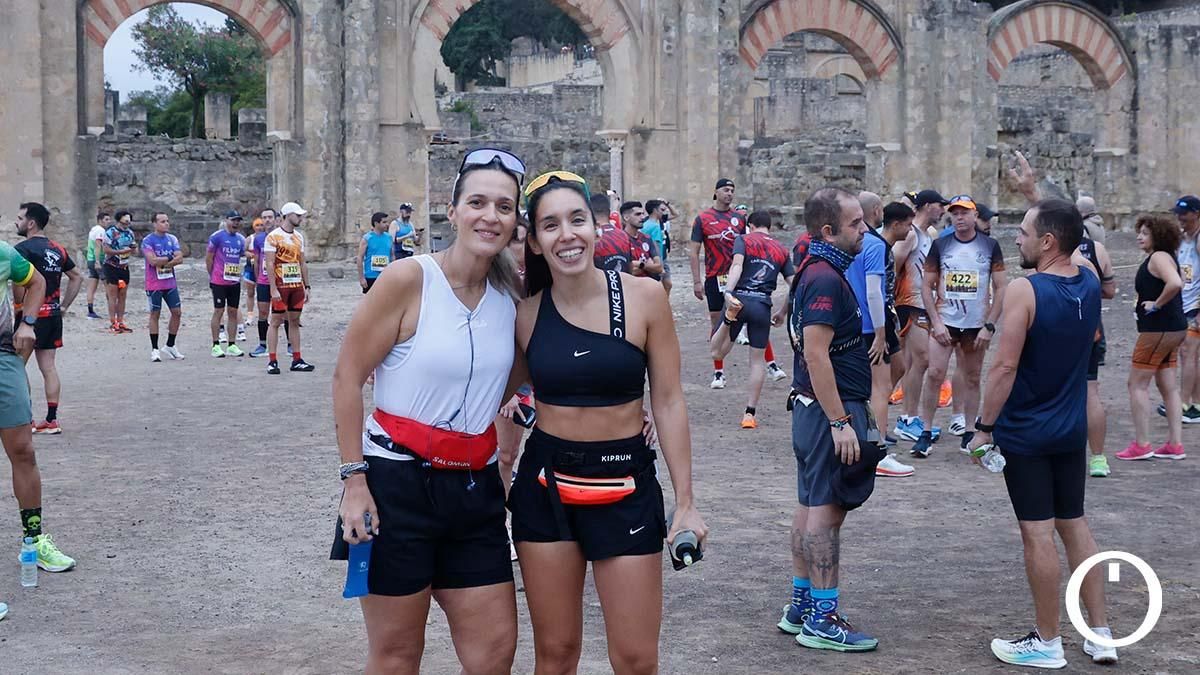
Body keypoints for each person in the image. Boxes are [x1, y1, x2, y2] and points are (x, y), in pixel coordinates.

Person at [331, 148, 527, 673]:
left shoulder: (514, 299)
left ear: (515, 222)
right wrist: (354, 482)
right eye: (478, 202)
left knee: (493, 654)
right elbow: (347, 378)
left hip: (474, 489)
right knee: (396, 656)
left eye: (504, 207)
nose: (490, 216)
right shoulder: (408, 279)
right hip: (396, 484)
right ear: (453, 208)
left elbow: (534, 373)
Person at [508, 170, 707, 673]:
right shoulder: (523, 314)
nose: (567, 234)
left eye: (577, 220)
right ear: (533, 239)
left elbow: (667, 400)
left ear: (598, 227)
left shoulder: (643, 297)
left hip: (624, 487)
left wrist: (686, 504)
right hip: (546, 487)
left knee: (636, 658)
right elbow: (502, 401)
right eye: (549, 225)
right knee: (555, 655)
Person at [970, 199, 1116, 668]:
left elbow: (1005, 366)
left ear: (1048, 241)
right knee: (1074, 525)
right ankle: (1101, 633)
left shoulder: (1024, 290)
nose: (1017, 238)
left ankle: (1048, 641)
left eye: (1026, 231)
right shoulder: (1090, 282)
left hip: (1027, 431)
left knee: (1037, 534)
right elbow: (1090, 339)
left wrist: (983, 428)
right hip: (1070, 428)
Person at [777, 186, 879, 652]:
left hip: (815, 408)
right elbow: (816, 355)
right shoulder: (823, 278)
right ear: (828, 231)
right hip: (826, 411)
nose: (864, 229)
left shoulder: (819, 271)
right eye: (856, 223)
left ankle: (801, 605)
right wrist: (840, 422)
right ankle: (822, 616)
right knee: (825, 514)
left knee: (811, 506)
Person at [0, 239, 77, 577]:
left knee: (23, 450)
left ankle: (33, 542)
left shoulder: (2, 252)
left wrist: (28, 322)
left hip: (3, 358)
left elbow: (38, 282)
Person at [911, 195, 1007, 458]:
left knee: (973, 377)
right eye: (955, 213)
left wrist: (990, 325)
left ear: (975, 216)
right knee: (934, 373)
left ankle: (968, 430)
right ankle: (926, 431)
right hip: (946, 322)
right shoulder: (941, 245)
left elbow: (1001, 288)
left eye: (965, 213)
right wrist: (936, 321)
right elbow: (926, 287)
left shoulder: (990, 246)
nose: (960, 217)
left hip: (975, 324)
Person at [689, 178, 785, 389]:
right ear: (716, 192)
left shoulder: (739, 218)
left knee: (753, 316)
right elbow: (694, 252)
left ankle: (771, 364)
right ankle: (718, 372)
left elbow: (753, 244)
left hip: (740, 277)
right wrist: (697, 281)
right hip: (715, 277)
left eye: (732, 190)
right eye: (725, 189)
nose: (729, 193)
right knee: (717, 322)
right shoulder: (703, 219)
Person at [710, 210, 794, 429]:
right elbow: (794, 285)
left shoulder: (743, 240)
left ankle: (729, 320)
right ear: (770, 227)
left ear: (750, 225)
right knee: (757, 361)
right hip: (762, 305)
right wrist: (783, 312)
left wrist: (728, 292)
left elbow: (737, 265)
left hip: (740, 299)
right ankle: (750, 413)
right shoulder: (781, 249)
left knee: (717, 351)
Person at [1118, 214, 1187, 461]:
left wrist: (1156, 305)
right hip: (1171, 330)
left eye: (1145, 233)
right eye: (1140, 232)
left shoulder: (1159, 257)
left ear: (1158, 236)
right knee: (1167, 385)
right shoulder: (1165, 257)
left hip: (1158, 330)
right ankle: (1175, 444)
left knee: (1136, 384)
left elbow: (1176, 283)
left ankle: (1142, 443)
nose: (1139, 236)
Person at [854, 193, 913, 477]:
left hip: (865, 321)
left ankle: (871, 431)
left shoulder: (852, 242)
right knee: (879, 387)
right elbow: (873, 292)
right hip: (870, 323)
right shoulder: (875, 245)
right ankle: (876, 452)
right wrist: (880, 332)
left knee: (894, 371)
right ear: (876, 211)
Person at [13, 202, 83, 435]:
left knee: (17, 367)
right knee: (49, 368)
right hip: (53, 315)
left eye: (20, 218)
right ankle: (52, 420)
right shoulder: (58, 249)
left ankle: (27, 419)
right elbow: (76, 277)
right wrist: (63, 306)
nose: (17, 222)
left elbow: (19, 283)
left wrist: (19, 309)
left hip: (30, 317)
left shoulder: (23, 249)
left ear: (31, 223)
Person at [891, 190, 947, 442]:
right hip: (907, 303)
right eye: (940, 205)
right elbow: (892, 262)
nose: (943, 210)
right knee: (921, 359)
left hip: (919, 303)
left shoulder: (925, 235)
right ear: (926, 206)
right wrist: (888, 300)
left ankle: (905, 417)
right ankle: (908, 419)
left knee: (908, 362)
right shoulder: (910, 233)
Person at [265, 202, 315, 374]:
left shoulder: (299, 237)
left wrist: (306, 286)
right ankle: (272, 360)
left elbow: (302, 262)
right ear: (287, 215)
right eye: (297, 215)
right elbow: (270, 263)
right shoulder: (273, 236)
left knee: (294, 321)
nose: (300, 218)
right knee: (276, 321)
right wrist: (273, 288)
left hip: (295, 286)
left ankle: (297, 359)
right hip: (280, 285)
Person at [1162, 195, 1200, 423]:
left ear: (1196, 213)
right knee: (1193, 355)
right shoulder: (1184, 238)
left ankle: (1184, 404)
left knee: (1188, 353)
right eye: (1178, 213)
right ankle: (1195, 403)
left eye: (1184, 214)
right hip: (1184, 303)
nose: (1180, 218)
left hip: (1194, 306)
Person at [142, 213, 185, 362]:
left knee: (177, 312)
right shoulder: (148, 241)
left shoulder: (172, 239)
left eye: (167, 221)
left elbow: (180, 258)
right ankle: (154, 349)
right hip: (154, 284)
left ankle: (170, 345)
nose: (166, 224)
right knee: (155, 314)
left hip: (169, 282)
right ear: (154, 224)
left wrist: (165, 262)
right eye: (162, 222)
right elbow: (152, 261)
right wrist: (169, 258)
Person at [206, 211, 247, 358]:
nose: (236, 223)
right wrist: (212, 275)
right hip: (218, 281)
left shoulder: (240, 239)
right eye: (233, 220)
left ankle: (232, 344)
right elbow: (209, 258)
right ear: (226, 221)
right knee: (219, 311)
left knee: (233, 312)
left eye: (238, 220)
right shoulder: (217, 237)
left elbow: (242, 254)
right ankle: (216, 345)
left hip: (234, 280)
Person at [101, 210, 138, 333]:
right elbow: (106, 249)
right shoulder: (110, 232)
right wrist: (120, 252)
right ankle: (113, 321)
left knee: (123, 294)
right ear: (119, 221)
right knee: (113, 295)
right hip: (112, 266)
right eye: (124, 222)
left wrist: (134, 249)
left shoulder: (130, 233)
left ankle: (121, 320)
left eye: (128, 222)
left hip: (124, 266)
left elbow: (134, 249)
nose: (126, 225)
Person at [249, 208, 276, 357]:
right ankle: (262, 344)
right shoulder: (258, 238)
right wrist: (258, 279)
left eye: (270, 217)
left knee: (283, 314)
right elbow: (257, 260)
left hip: (280, 281)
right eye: (264, 217)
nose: (267, 220)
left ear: (276, 219)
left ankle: (291, 345)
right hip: (263, 281)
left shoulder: (281, 236)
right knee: (263, 312)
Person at [621, 201, 664, 280]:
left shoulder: (647, 238)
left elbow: (659, 268)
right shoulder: (620, 239)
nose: (642, 217)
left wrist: (641, 265)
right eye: (638, 214)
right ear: (626, 217)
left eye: (643, 214)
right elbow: (629, 271)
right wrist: (649, 266)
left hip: (648, 287)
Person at [240, 216, 266, 335]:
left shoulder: (267, 238)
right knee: (250, 293)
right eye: (257, 225)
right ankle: (250, 316)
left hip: (263, 268)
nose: (259, 227)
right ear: (253, 227)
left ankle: (265, 316)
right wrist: (250, 254)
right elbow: (242, 251)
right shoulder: (249, 239)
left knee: (264, 295)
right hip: (250, 268)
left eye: (261, 225)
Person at [359, 211, 393, 293]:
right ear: (376, 223)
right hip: (371, 276)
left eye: (387, 222)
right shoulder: (367, 238)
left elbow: (392, 256)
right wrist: (361, 278)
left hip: (386, 276)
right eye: (384, 222)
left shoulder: (389, 237)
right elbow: (360, 258)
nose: (387, 224)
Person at [643, 199, 672, 291]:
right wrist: (660, 265)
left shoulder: (644, 224)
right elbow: (656, 245)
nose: (663, 213)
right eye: (662, 210)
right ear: (655, 210)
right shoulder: (655, 226)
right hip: (657, 259)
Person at [85, 212, 110, 319]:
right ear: (100, 220)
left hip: (90, 259)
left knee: (92, 285)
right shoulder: (100, 231)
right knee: (108, 285)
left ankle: (90, 310)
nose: (108, 221)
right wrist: (98, 261)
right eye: (106, 219)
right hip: (98, 260)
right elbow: (97, 246)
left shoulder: (93, 229)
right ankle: (113, 309)